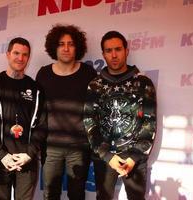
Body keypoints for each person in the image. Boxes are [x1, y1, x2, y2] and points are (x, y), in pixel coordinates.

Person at [83, 30, 157, 200]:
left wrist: (134, 157)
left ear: (126, 51)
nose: (114, 55)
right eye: (108, 51)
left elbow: (149, 122)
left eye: (118, 49)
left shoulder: (143, 83)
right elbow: (89, 121)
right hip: (105, 156)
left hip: (134, 158)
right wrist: (107, 155)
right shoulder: (95, 84)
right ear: (103, 54)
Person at [0, 37, 47, 200]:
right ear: (8, 54)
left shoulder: (36, 89)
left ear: (28, 58)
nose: (20, 58)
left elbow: (42, 125)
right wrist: (2, 154)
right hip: (0, 159)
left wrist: (29, 154)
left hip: (26, 160)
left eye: (25, 54)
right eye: (16, 53)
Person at [36, 24, 97, 200]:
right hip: (50, 145)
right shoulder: (44, 74)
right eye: (61, 44)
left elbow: (94, 110)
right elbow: (38, 111)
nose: (66, 48)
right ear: (54, 47)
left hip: (79, 146)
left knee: (77, 194)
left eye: (70, 43)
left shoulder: (88, 73)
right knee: (50, 194)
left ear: (77, 47)